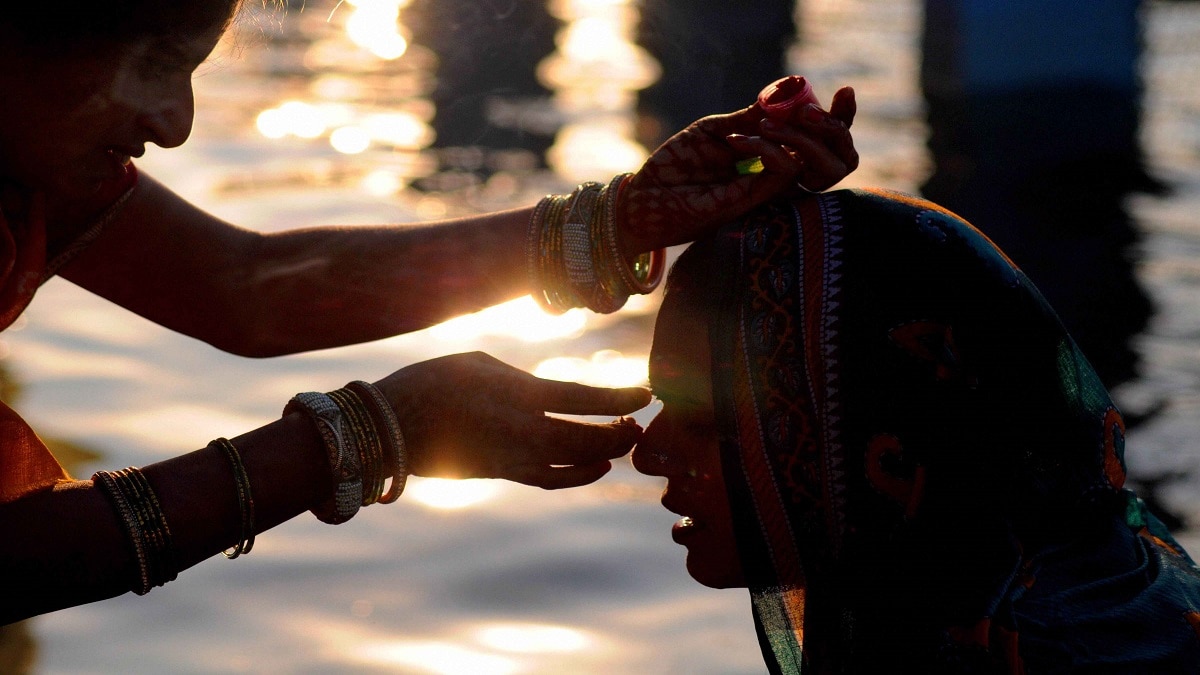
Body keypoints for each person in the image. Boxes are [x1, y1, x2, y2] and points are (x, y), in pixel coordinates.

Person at [0, 1, 860, 623]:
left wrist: (621, 218)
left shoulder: (40, 165)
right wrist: (370, 432)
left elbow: (249, 285)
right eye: (154, 61)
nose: (176, 123)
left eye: (189, 69)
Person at [633, 188, 1200, 671]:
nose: (647, 454)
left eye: (704, 420)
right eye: (663, 404)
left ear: (875, 437)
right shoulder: (1112, 587)